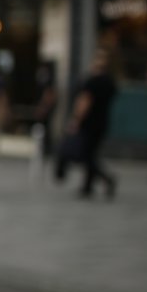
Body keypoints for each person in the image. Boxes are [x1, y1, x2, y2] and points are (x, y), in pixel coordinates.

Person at [57, 50, 118, 200]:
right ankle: (87, 186)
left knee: (86, 155)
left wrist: (76, 120)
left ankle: (106, 178)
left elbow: (84, 102)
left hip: (88, 123)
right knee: (91, 153)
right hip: (102, 123)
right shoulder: (110, 82)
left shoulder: (92, 81)